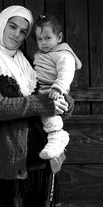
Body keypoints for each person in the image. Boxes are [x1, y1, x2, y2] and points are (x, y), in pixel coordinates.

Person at [0, 6, 74, 207]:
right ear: (1, 24)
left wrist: (64, 102)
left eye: (23, 31)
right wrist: (47, 104)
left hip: (44, 161)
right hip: (9, 167)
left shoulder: (27, 60)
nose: (17, 34)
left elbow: (48, 89)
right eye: (12, 26)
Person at [33, 14, 82, 168]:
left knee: (49, 111)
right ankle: (53, 141)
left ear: (59, 37)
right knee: (42, 111)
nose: (43, 43)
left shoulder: (63, 55)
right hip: (41, 88)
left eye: (48, 38)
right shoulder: (40, 54)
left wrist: (57, 88)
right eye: (39, 39)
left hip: (54, 89)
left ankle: (57, 135)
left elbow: (66, 73)